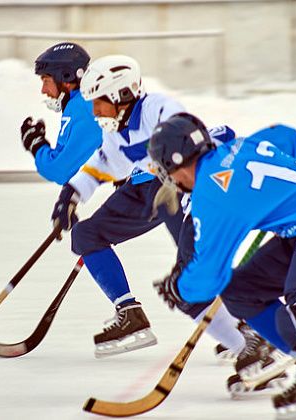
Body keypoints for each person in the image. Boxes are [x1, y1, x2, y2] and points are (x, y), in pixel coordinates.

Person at [149, 112, 296, 419]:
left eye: (165, 170)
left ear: (175, 162)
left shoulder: (212, 194)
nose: (170, 180)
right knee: (241, 292)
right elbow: (290, 137)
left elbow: (208, 278)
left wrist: (179, 286)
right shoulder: (237, 147)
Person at [51, 54, 252, 364]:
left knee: (191, 279)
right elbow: (105, 163)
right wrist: (72, 194)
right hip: (146, 187)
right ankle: (129, 313)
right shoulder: (115, 127)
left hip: (183, 190)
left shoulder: (161, 109)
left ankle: (248, 340)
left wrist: (194, 204)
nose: (94, 111)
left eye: (99, 102)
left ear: (121, 95)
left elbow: (190, 150)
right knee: (86, 235)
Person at [20, 42, 102, 185]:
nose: (43, 90)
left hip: (145, 186)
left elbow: (59, 170)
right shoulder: (87, 101)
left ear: (66, 79)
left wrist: (37, 145)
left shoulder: (82, 107)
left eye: (46, 81)